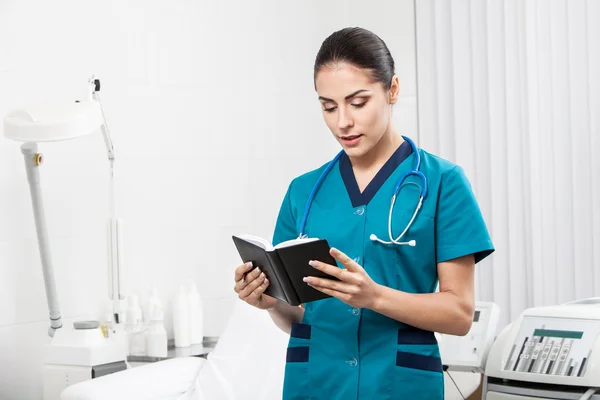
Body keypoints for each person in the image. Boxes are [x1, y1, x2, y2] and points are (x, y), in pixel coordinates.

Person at [233, 27, 494, 400]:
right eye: (329, 106)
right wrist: (270, 302)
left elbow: (459, 313)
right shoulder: (303, 192)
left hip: (398, 386)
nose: (343, 122)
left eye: (357, 103)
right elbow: (300, 316)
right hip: (316, 385)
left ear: (393, 90)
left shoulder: (443, 183)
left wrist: (374, 297)